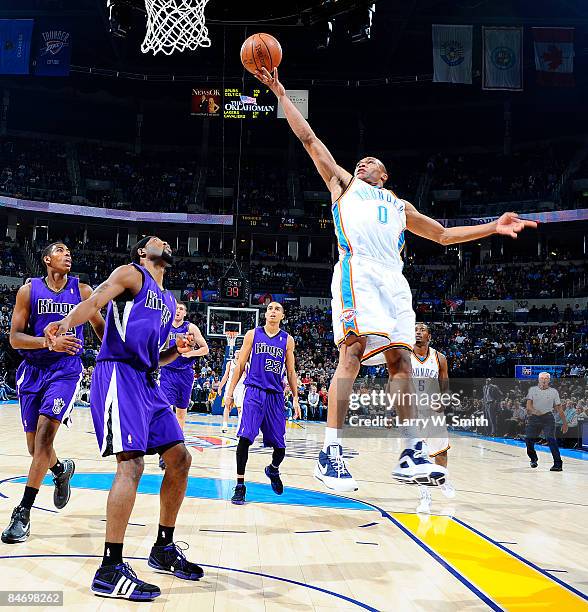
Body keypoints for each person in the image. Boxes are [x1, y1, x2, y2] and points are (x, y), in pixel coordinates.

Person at [256, 66, 537, 492]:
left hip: (394, 281)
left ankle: (408, 452)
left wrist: (492, 228)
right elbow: (309, 139)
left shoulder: (400, 204)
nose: (362, 162)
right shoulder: (343, 185)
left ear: (384, 175)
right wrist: (279, 90)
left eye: (371, 161)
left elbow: (442, 235)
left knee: (400, 361)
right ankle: (330, 452)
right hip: (359, 270)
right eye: (360, 160)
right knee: (350, 354)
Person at [44, 236, 202, 601]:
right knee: (130, 465)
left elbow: (154, 356)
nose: (167, 243)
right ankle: (109, 568)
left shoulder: (168, 301)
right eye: (159, 240)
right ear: (143, 252)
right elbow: (95, 300)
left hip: (149, 381)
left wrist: (172, 352)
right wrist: (65, 324)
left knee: (180, 458)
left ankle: (163, 546)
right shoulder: (131, 275)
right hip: (118, 375)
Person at [2, 243, 105, 544]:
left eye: (69, 251)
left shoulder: (83, 292)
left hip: (65, 371)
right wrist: (48, 343)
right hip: (33, 370)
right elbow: (15, 339)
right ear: (47, 259)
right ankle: (61, 470)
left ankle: (23, 512)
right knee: (36, 449)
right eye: (60, 250)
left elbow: (101, 330)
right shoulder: (28, 291)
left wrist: (124, 358)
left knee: (45, 439)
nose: (68, 254)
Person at [225, 302, 300, 504]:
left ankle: (272, 470)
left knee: (280, 448)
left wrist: (295, 398)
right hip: (254, 392)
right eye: (270, 309)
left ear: (283, 316)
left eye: (277, 309)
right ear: (265, 314)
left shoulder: (287, 340)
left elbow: (291, 372)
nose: (273, 311)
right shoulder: (253, 334)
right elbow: (240, 364)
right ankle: (240, 486)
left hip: (275, 396)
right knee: (245, 438)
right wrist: (230, 392)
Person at [410, 323, 455, 514]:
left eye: (422, 329)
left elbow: (445, 384)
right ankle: (425, 498)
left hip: (434, 411)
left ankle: (441, 479)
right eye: (415, 330)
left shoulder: (439, 358)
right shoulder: (404, 356)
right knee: (419, 456)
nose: (418, 332)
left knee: (441, 453)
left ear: (429, 335)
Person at [158, 302, 208, 469]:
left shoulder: (191, 328)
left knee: (181, 413)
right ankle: (164, 450)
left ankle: (176, 446)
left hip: (185, 374)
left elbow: (205, 349)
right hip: (167, 372)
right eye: (176, 309)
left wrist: (191, 354)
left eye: (181, 309)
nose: (178, 311)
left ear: (185, 313)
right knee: (165, 410)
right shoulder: (164, 326)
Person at [525, 372, 567, 472]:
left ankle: (558, 464)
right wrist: (535, 411)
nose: (544, 380)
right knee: (528, 440)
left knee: (551, 439)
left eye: (546, 378)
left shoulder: (554, 392)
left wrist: (565, 423)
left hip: (548, 418)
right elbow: (528, 406)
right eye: (542, 378)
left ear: (549, 380)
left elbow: (559, 408)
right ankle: (533, 458)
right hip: (534, 418)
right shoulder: (532, 390)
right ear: (539, 380)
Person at [218, 349, 247, 433]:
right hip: (230, 386)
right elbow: (225, 376)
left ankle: (239, 427)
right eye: (236, 352)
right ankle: (224, 425)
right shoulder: (229, 363)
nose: (238, 354)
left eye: (239, 352)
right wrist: (220, 387)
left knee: (240, 408)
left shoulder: (244, 363)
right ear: (234, 354)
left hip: (240, 387)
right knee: (227, 406)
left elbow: (246, 376)